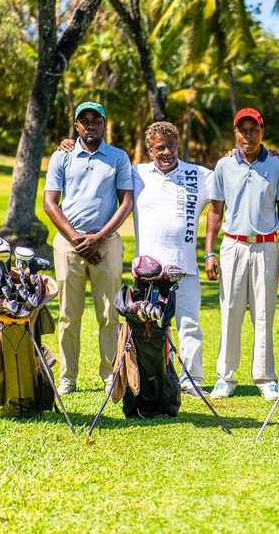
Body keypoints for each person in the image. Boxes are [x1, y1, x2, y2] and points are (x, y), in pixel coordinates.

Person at [58, 122, 213, 397]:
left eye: (171, 145)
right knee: (146, 329)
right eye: (160, 147)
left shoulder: (198, 174)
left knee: (189, 324)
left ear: (179, 145)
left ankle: (192, 380)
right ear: (150, 150)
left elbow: (228, 179)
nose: (166, 152)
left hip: (185, 266)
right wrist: (69, 146)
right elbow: (102, 173)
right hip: (148, 270)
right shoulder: (137, 173)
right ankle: (148, 375)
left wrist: (263, 155)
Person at [43, 101, 133, 395]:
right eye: (85, 120)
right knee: (69, 314)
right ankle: (68, 378)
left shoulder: (118, 158)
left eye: (96, 119)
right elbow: (50, 203)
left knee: (109, 313)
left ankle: (109, 375)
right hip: (69, 244)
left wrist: (100, 237)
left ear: (104, 124)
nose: (90, 124)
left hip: (106, 243)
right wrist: (77, 240)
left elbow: (126, 203)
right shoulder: (62, 156)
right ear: (77, 125)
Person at [204, 107, 279, 401]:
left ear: (261, 130)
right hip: (233, 245)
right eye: (242, 130)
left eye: (253, 129)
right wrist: (209, 252)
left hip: (266, 245)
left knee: (264, 312)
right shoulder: (223, 165)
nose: (248, 135)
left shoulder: (277, 166)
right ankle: (225, 377)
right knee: (230, 310)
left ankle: (265, 377)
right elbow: (215, 211)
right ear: (235, 133)